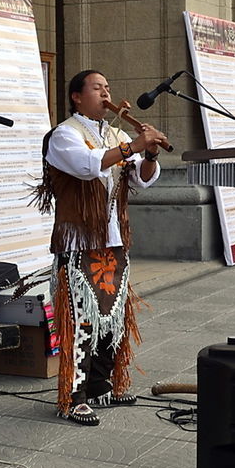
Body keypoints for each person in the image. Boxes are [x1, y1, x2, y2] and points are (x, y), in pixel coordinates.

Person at [32, 70, 166, 426]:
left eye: (108, 87)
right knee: (81, 319)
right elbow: (87, 166)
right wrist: (132, 146)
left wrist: (149, 153)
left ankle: (100, 386)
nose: (106, 94)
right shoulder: (65, 134)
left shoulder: (115, 132)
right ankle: (73, 398)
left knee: (113, 316)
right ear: (77, 96)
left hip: (114, 239)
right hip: (79, 240)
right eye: (97, 88)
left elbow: (142, 178)